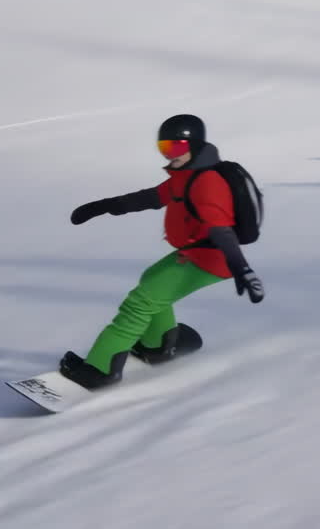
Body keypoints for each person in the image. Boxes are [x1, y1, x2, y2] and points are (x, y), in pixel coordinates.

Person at [59, 115, 265, 389]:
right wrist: (103, 206)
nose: (170, 155)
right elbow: (152, 197)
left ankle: (100, 369)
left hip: (211, 259)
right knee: (151, 283)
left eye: (176, 148)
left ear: (195, 146)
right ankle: (159, 345)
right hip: (193, 254)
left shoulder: (207, 183)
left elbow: (220, 229)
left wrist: (242, 268)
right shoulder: (186, 175)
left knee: (140, 303)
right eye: (165, 148)